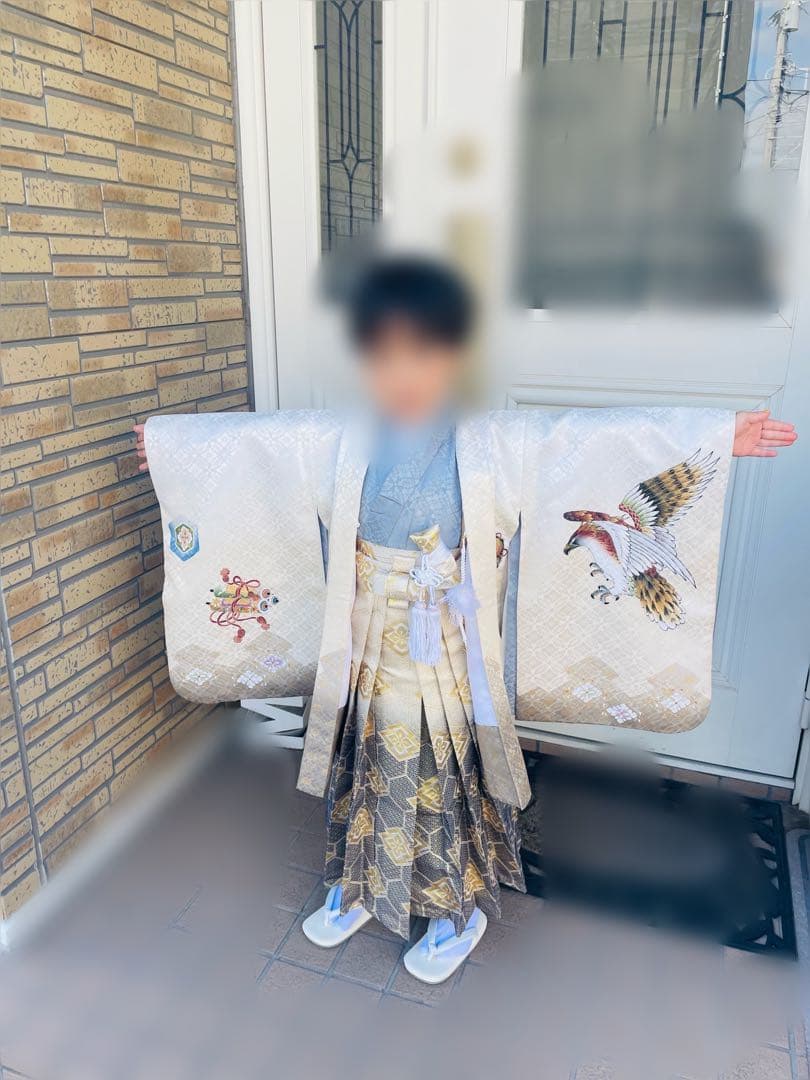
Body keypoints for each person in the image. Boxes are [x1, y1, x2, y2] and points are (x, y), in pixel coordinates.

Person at [135, 257, 796, 984]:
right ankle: (361, 884)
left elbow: (585, 440)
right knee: (368, 761)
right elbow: (259, 449)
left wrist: (711, 436)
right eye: (384, 355)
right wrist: (173, 453)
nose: (403, 374)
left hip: (447, 646)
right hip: (366, 643)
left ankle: (457, 912)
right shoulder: (341, 438)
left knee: (440, 773)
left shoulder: (493, 443)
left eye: (423, 353)